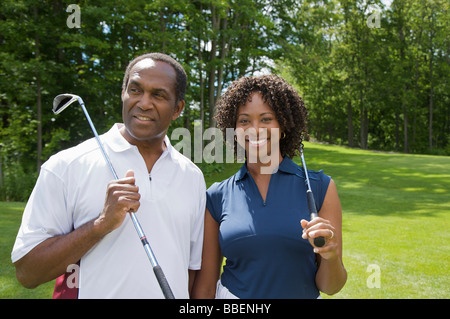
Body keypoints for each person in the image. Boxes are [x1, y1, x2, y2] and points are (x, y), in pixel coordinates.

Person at [11, 53, 206, 299]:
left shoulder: (192, 177)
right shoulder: (66, 165)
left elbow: (190, 270)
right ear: (123, 93)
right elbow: (28, 272)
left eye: (158, 95)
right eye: (135, 90)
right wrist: (100, 225)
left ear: (177, 108)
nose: (144, 103)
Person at [191, 74, 347, 299]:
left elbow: (330, 287)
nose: (254, 129)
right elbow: (205, 288)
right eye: (244, 121)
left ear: (283, 126)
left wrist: (330, 256)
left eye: (266, 119)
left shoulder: (321, 187)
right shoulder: (217, 195)